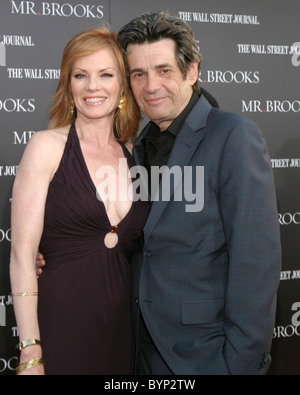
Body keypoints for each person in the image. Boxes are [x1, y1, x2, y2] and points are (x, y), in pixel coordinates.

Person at [116, 11, 281, 375]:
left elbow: (255, 264)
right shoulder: (140, 146)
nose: (150, 86)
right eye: (139, 74)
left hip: (204, 356)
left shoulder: (233, 136)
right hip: (140, 351)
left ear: (191, 71)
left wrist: (238, 366)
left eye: (163, 70)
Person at [10, 27, 149, 375]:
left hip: (123, 332)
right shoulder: (46, 147)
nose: (93, 86)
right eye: (80, 75)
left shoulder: (137, 157)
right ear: (68, 85)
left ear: (122, 85)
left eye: (105, 74)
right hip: (60, 328)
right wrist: (31, 350)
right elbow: (22, 256)